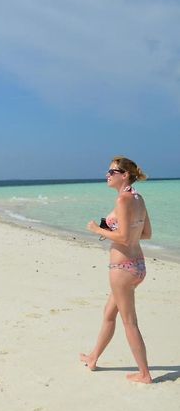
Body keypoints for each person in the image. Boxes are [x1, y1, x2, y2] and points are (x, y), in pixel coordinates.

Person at [81, 156, 153, 384]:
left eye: (112, 172)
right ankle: (93, 358)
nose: (107, 175)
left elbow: (122, 237)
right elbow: (146, 233)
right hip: (138, 265)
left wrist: (96, 229)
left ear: (125, 175)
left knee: (129, 322)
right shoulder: (138, 198)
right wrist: (119, 230)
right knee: (109, 314)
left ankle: (144, 374)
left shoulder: (123, 200)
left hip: (122, 269)